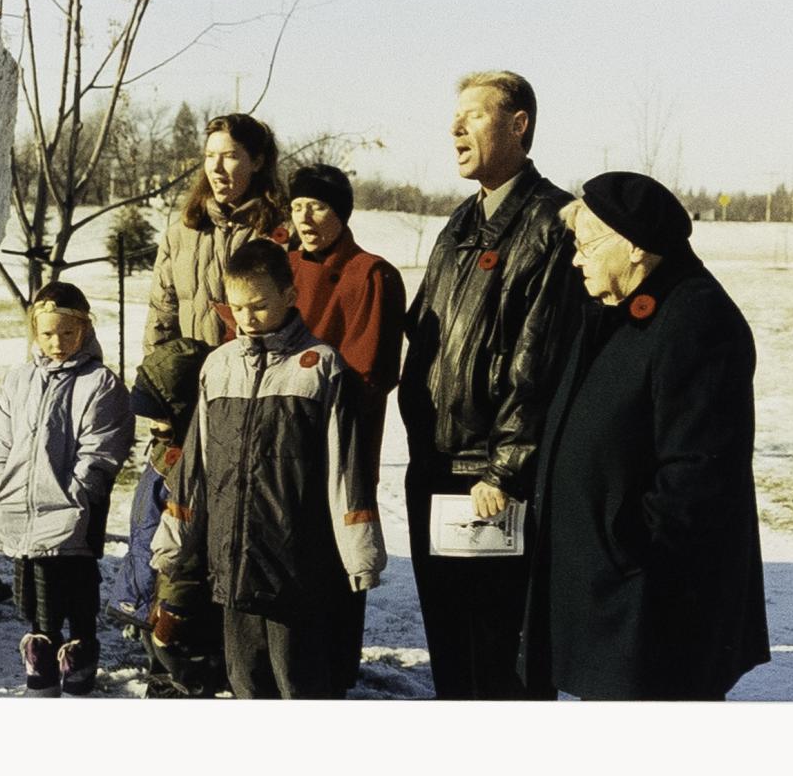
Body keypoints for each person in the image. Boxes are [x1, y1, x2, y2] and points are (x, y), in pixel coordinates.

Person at [518, 172, 770, 701]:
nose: (576, 260)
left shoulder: (695, 318)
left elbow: (698, 474)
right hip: (614, 599)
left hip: (655, 613)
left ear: (632, 246)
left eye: (586, 245)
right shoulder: (617, 310)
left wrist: (626, 550)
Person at [398, 70, 582, 699]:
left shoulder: (552, 222)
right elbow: (426, 338)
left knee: (498, 661)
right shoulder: (458, 223)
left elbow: (537, 367)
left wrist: (502, 474)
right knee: (453, 658)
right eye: (456, 117)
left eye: (474, 116)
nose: (456, 129)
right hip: (437, 472)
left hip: (490, 484)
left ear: (518, 124)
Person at [152, 239, 387, 699]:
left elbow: (346, 469)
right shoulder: (217, 367)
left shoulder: (319, 367)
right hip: (232, 562)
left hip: (295, 568)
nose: (246, 318)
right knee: (246, 684)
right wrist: (174, 539)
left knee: (299, 684)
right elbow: (194, 466)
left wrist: (359, 552)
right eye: (237, 307)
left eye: (259, 306)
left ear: (289, 295)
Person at [0, 282, 135, 697]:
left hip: (72, 508)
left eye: (68, 333)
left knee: (77, 583)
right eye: (47, 334)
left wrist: (80, 491)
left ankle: (79, 655)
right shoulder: (20, 379)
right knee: (35, 589)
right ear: (34, 331)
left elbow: (102, 445)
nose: (57, 343)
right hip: (22, 505)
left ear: (85, 329)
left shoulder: (98, 382)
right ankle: (42, 653)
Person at [286, 163, 406, 698]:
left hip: (338, 435)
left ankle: (335, 670)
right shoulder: (281, 268)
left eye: (317, 207)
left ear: (341, 213)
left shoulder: (369, 274)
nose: (304, 218)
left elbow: (369, 371)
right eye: (296, 207)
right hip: (279, 438)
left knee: (338, 549)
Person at [113, 336, 226, 698]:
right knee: (159, 658)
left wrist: (175, 607)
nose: (152, 425)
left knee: (183, 663)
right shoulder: (165, 449)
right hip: (154, 591)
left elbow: (189, 548)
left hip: (179, 601)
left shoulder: (193, 467)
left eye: (159, 415)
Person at [143, 113, 291, 357]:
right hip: (194, 381)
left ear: (257, 162)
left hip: (261, 382)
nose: (216, 168)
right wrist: (157, 379)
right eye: (210, 156)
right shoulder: (181, 233)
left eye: (230, 156)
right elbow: (161, 316)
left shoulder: (281, 234)